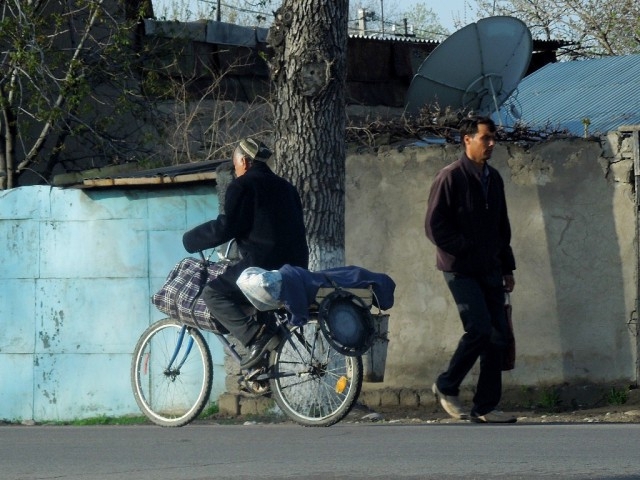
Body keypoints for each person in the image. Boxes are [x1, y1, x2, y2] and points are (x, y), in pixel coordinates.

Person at [183, 137, 309, 369]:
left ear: (244, 161)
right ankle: (261, 369)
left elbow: (227, 227)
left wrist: (191, 239)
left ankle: (254, 337)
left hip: (263, 265)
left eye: (235, 165)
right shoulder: (287, 188)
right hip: (295, 267)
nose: (236, 169)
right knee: (259, 304)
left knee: (214, 294)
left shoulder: (243, 186)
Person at [425, 116, 517, 424]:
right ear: (467, 140)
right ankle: (446, 384)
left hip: (490, 267)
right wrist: (467, 248)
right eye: (485, 138)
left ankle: (486, 407)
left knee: (497, 336)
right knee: (478, 328)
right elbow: (435, 227)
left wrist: (507, 266)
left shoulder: (494, 178)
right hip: (460, 268)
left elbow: (501, 227)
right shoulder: (450, 177)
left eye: (493, 138)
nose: (491, 144)